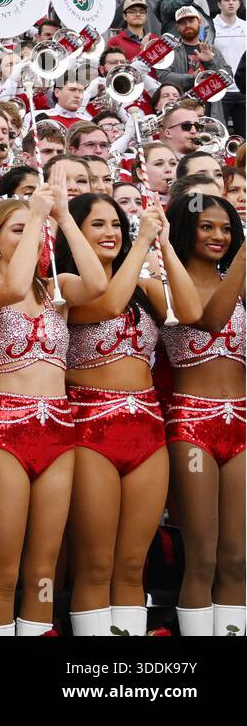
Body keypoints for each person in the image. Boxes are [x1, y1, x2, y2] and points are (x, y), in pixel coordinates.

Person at [55, 193, 201, 636]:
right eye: (97, 225)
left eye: (116, 224)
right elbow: (107, 305)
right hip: (89, 424)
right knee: (96, 562)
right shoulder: (65, 281)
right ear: (74, 233)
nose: (111, 233)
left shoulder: (141, 282)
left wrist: (165, 246)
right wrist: (140, 245)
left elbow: (192, 312)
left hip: (146, 426)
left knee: (132, 563)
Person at [0, 188, 105, 635]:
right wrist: (33, 213)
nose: (34, 233)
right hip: (6, 428)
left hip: (59, 429)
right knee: (5, 568)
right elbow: (12, 284)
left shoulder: (56, 291)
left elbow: (99, 284)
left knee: (44, 569)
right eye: (19, 228)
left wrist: (64, 219)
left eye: (35, 229)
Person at [161, 194, 245, 637]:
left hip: (243, 423)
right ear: (185, 229)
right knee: (203, 556)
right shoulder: (166, 281)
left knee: (238, 559)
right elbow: (210, 320)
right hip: (192, 423)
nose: (219, 236)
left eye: (227, 229)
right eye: (208, 226)